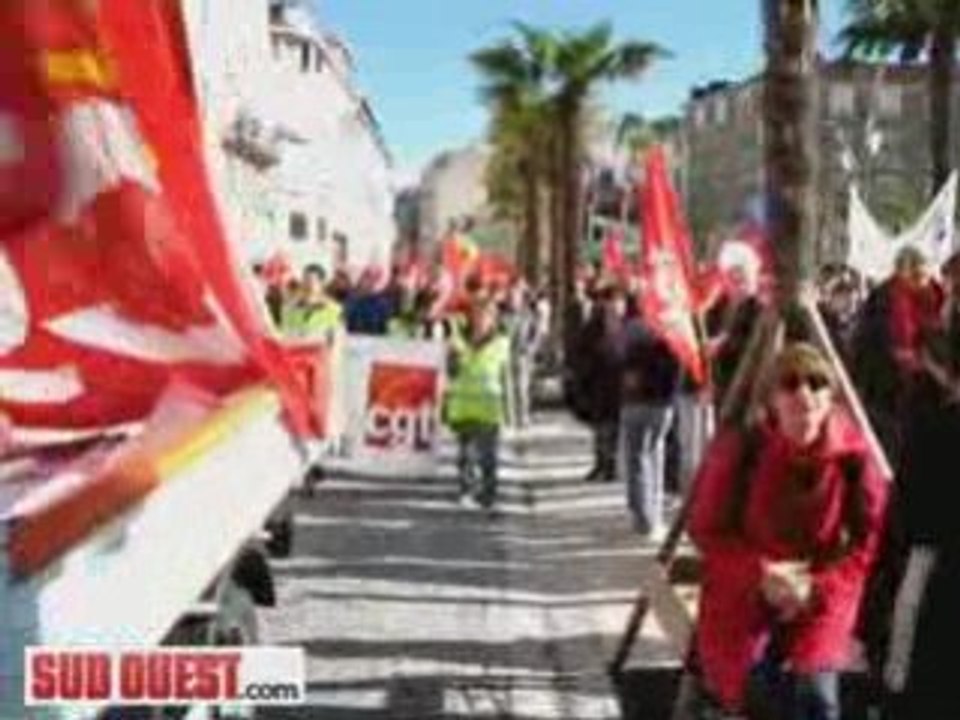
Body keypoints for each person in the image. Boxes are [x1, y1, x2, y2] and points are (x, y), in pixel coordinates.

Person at [687, 343, 889, 720]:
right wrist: (761, 574)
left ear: (831, 397)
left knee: (816, 698)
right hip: (746, 596)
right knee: (758, 695)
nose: (804, 395)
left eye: (816, 384)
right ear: (771, 401)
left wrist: (817, 587)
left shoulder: (854, 458)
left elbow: (872, 540)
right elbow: (706, 529)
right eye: (790, 384)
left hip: (820, 596)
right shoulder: (743, 449)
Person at [619, 296, 682, 536]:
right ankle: (652, 515)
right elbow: (677, 370)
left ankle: (641, 514)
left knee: (636, 459)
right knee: (655, 456)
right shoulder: (671, 335)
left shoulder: (630, 334)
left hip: (634, 401)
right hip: (661, 403)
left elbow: (619, 362)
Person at [444, 300, 511, 510]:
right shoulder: (458, 341)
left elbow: (507, 377)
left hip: (489, 407)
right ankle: (466, 490)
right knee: (465, 455)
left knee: (488, 456)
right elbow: (451, 372)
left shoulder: (501, 343)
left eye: (486, 317)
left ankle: (488, 494)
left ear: (493, 320)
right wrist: (452, 358)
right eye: (478, 315)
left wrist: (511, 412)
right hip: (463, 406)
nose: (481, 320)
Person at [574, 284, 628, 482]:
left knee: (610, 427)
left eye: (619, 301)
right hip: (601, 383)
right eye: (614, 301)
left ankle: (609, 465)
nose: (616, 306)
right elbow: (581, 351)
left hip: (616, 383)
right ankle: (603, 463)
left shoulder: (624, 324)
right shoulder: (596, 325)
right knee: (603, 427)